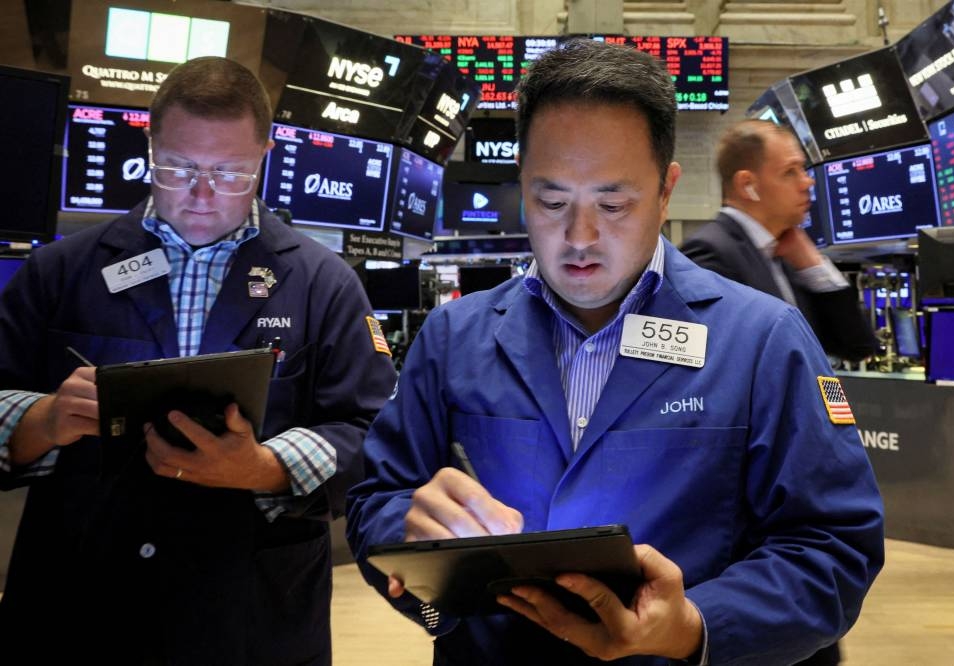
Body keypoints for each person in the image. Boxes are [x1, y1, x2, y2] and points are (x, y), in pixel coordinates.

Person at [346, 39, 884, 665]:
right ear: (522, 185)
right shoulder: (453, 339)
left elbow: (833, 547)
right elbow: (375, 501)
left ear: (665, 190)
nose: (580, 238)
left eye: (613, 203)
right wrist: (412, 534)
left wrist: (693, 625)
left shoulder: (763, 341)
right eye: (551, 202)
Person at [0, 57, 397, 664]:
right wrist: (44, 421)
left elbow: (372, 433)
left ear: (264, 155)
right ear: (150, 143)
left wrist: (264, 467)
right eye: (179, 168)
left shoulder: (325, 284)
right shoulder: (61, 272)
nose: (203, 194)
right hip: (78, 606)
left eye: (232, 172)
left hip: (251, 614)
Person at [681, 119, 877, 364]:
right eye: (790, 172)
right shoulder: (709, 253)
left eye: (802, 169)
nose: (807, 182)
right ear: (747, 184)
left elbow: (858, 346)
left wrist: (814, 266)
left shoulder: (786, 255)